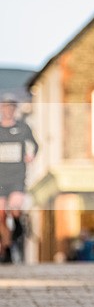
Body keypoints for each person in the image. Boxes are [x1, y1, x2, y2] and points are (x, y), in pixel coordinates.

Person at [0, 94, 37, 263]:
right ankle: (6, 248)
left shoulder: (23, 128)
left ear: (15, 110)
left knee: (14, 210)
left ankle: (18, 228)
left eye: (11, 107)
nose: (8, 110)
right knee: (1, 215)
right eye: (5, 107)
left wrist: (31, 155)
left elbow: (35, 145)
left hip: (17, 176)